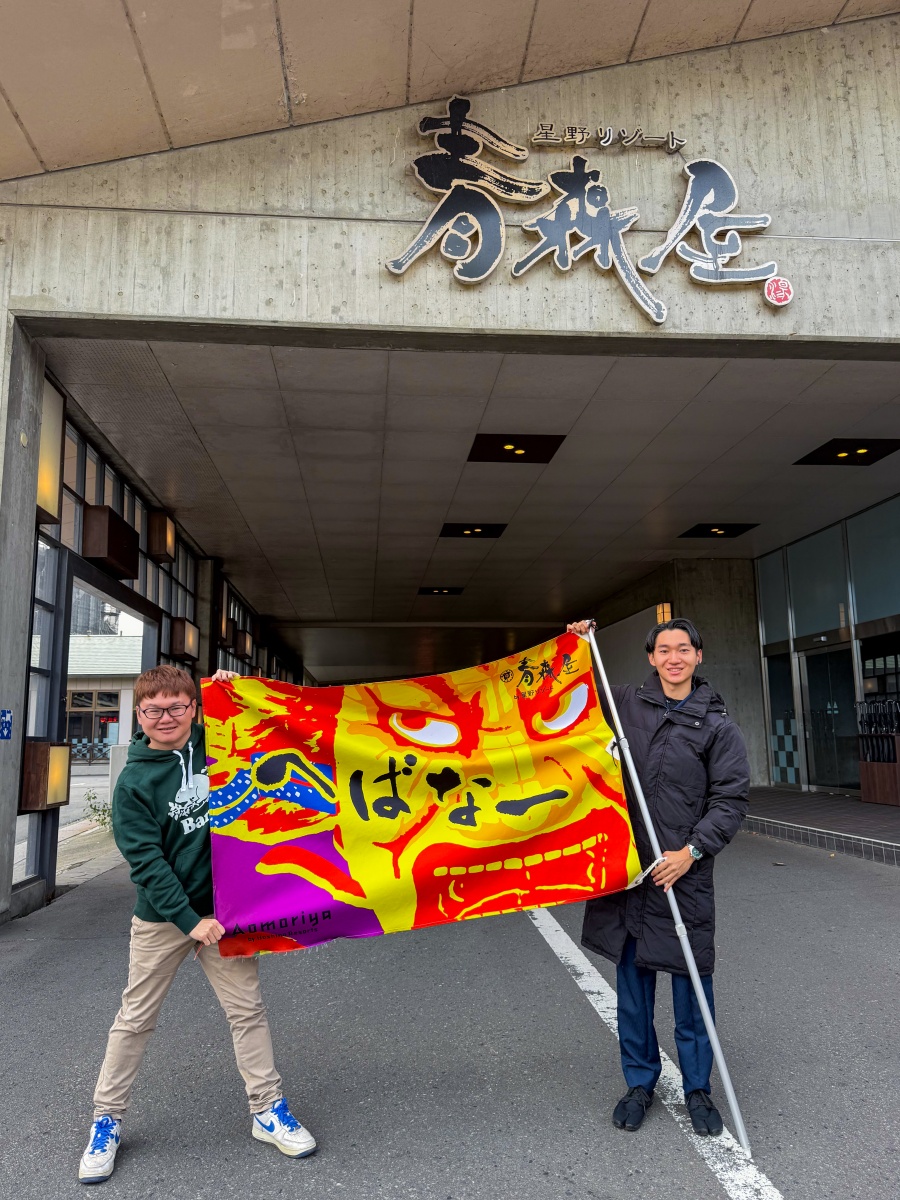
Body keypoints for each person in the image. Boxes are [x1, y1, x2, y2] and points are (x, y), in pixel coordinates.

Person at [78, 665, 316, 1185]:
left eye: (177, 707)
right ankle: (106, 1120)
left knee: (247, 1012)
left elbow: (274, 730)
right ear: (138, 715)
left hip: (228, 913)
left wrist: (237, 690)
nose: (166, 718)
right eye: (154, 710)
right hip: (165, 918)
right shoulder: (134, 783)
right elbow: (146, 863)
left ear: (194, 707)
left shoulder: (219, 747)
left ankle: (267, 1109)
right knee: (135, 1018)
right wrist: (191, 921)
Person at [566, 617, 748, 1138]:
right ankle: (640, 1083)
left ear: (698, 656)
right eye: (664, 649)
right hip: (629, 873)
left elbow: (730, 801)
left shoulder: (717, 726)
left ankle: (697, 1089)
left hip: (683, 876)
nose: (674, 657)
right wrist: (578, 646)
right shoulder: (625, 704)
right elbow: (576, 693)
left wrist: (691, 851)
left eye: (683, 649)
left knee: (692, 986)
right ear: (651, 657)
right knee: (633, 988)